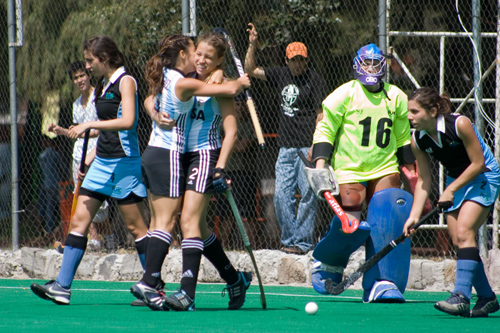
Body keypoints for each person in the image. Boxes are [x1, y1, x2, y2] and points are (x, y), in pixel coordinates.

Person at [130, 34, 251, 311]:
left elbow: (231, 132)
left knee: (188, 223)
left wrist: (220, 167)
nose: (201, 60)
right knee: (198, 227)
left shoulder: (219, 84)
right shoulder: (186, 78)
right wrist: (153, 112)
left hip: (205, 154)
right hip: (180, 154)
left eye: (209, 57)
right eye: (199, 54)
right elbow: (152, 97)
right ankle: (235, 279)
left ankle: (187, 294)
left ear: (219, 60)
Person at [30, 36, 149, 305]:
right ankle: (62, 286)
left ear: (104, 58)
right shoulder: (103, 86)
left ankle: (153, 283)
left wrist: (90, 125)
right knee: (79, 222)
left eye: (89, 60)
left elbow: (128, 121)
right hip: (102, 162)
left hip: (123, 163)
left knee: (135, 226)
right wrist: (87, 155)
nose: (87, 65)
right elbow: (104, 131)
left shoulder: (126, 81)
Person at [310, 43, 417, 303]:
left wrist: (412, 173)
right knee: (351, 214)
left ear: (383, 66)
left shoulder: (397, 96)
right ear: (357, 65)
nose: (370, 68)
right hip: (350, 167)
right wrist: (320, 165)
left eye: (375, 63)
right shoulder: (343, 94)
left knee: (388, 212)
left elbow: (403, 138)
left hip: (384, 166)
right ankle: (329, 264)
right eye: (366, 63)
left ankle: (381, 280)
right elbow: (325, 130)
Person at [403, 87, 500, 317]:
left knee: (466, 231)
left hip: (482, 176)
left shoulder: (459, 124)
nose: (409, 116)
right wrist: (414, 216)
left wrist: (451, 189)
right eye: (409, 111)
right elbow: (424, 180)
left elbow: (478, 164)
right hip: (455, 180)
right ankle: (487, 297)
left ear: (433, 110)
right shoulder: (417, 139)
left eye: (415, 111)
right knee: (459, 240)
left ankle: (461, 296)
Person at [245, 23, 327, 254]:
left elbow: (320, 115)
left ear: (306, 60)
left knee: (309, 195)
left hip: (306, 148)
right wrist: (252, 44)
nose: (297, 64)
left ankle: (302, 242)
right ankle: (289, 240)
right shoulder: (280, 75)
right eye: (293, 59)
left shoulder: (315, 80)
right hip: (285, 149)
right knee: (281, 196)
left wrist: (314, 146)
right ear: (287, 60)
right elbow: (251, 70)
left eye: (301, 59)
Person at [48, 61, 114, 251]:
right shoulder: (76, 104)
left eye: (81, 76)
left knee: (100, 200)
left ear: (88, 75)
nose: (79, 80)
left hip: (98, 153)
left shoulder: (100, 96)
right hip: (78, 154)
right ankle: (94, 240)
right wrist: (61, 131)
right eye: (75, 78)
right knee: (82, 196)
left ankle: (109, 235)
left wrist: (84, 131)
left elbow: (101, 130)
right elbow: (76, 131)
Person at [214, 95, 259, 249]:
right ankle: (225, 245)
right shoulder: (222, 124)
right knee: (227, 213)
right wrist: (233, 141)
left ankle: (251, 246)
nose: (239, 108)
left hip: (246, 172)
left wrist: (229, 141)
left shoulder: (249, 125)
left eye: (241, 105)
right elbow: (221, 143)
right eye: (236, 105)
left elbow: (242, 147)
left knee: (249, 213)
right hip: (227, 171)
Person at [37, 135, 63, 235]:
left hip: (45, 183)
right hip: (56, 183)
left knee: (48, 208)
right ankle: (52, 231)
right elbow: (62, 169)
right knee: (58, 207)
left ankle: (46, 231)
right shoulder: (56, 154)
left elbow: (40, 171)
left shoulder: (41, 155)